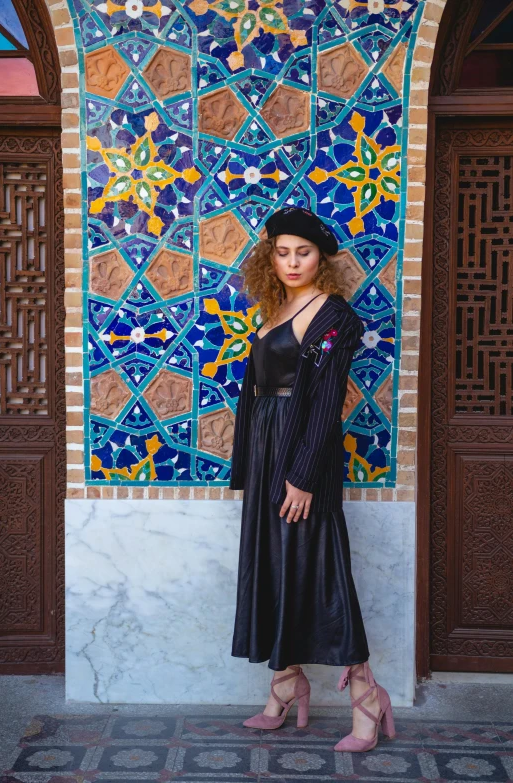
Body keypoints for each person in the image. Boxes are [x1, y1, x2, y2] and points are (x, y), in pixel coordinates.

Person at [229, 206, 396, 752]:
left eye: (304, 252)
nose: (292, 262)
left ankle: (367, 696)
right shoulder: (276, 308)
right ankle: (285, 682)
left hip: (304, 459)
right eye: (282, 252)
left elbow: (326, 405)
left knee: (323, 569)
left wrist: (301, 477)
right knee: (275, 564)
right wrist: (254, 467)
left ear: (321, 258)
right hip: (267, 453)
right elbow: (259, 393)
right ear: (269, 256)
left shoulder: (335, 317)